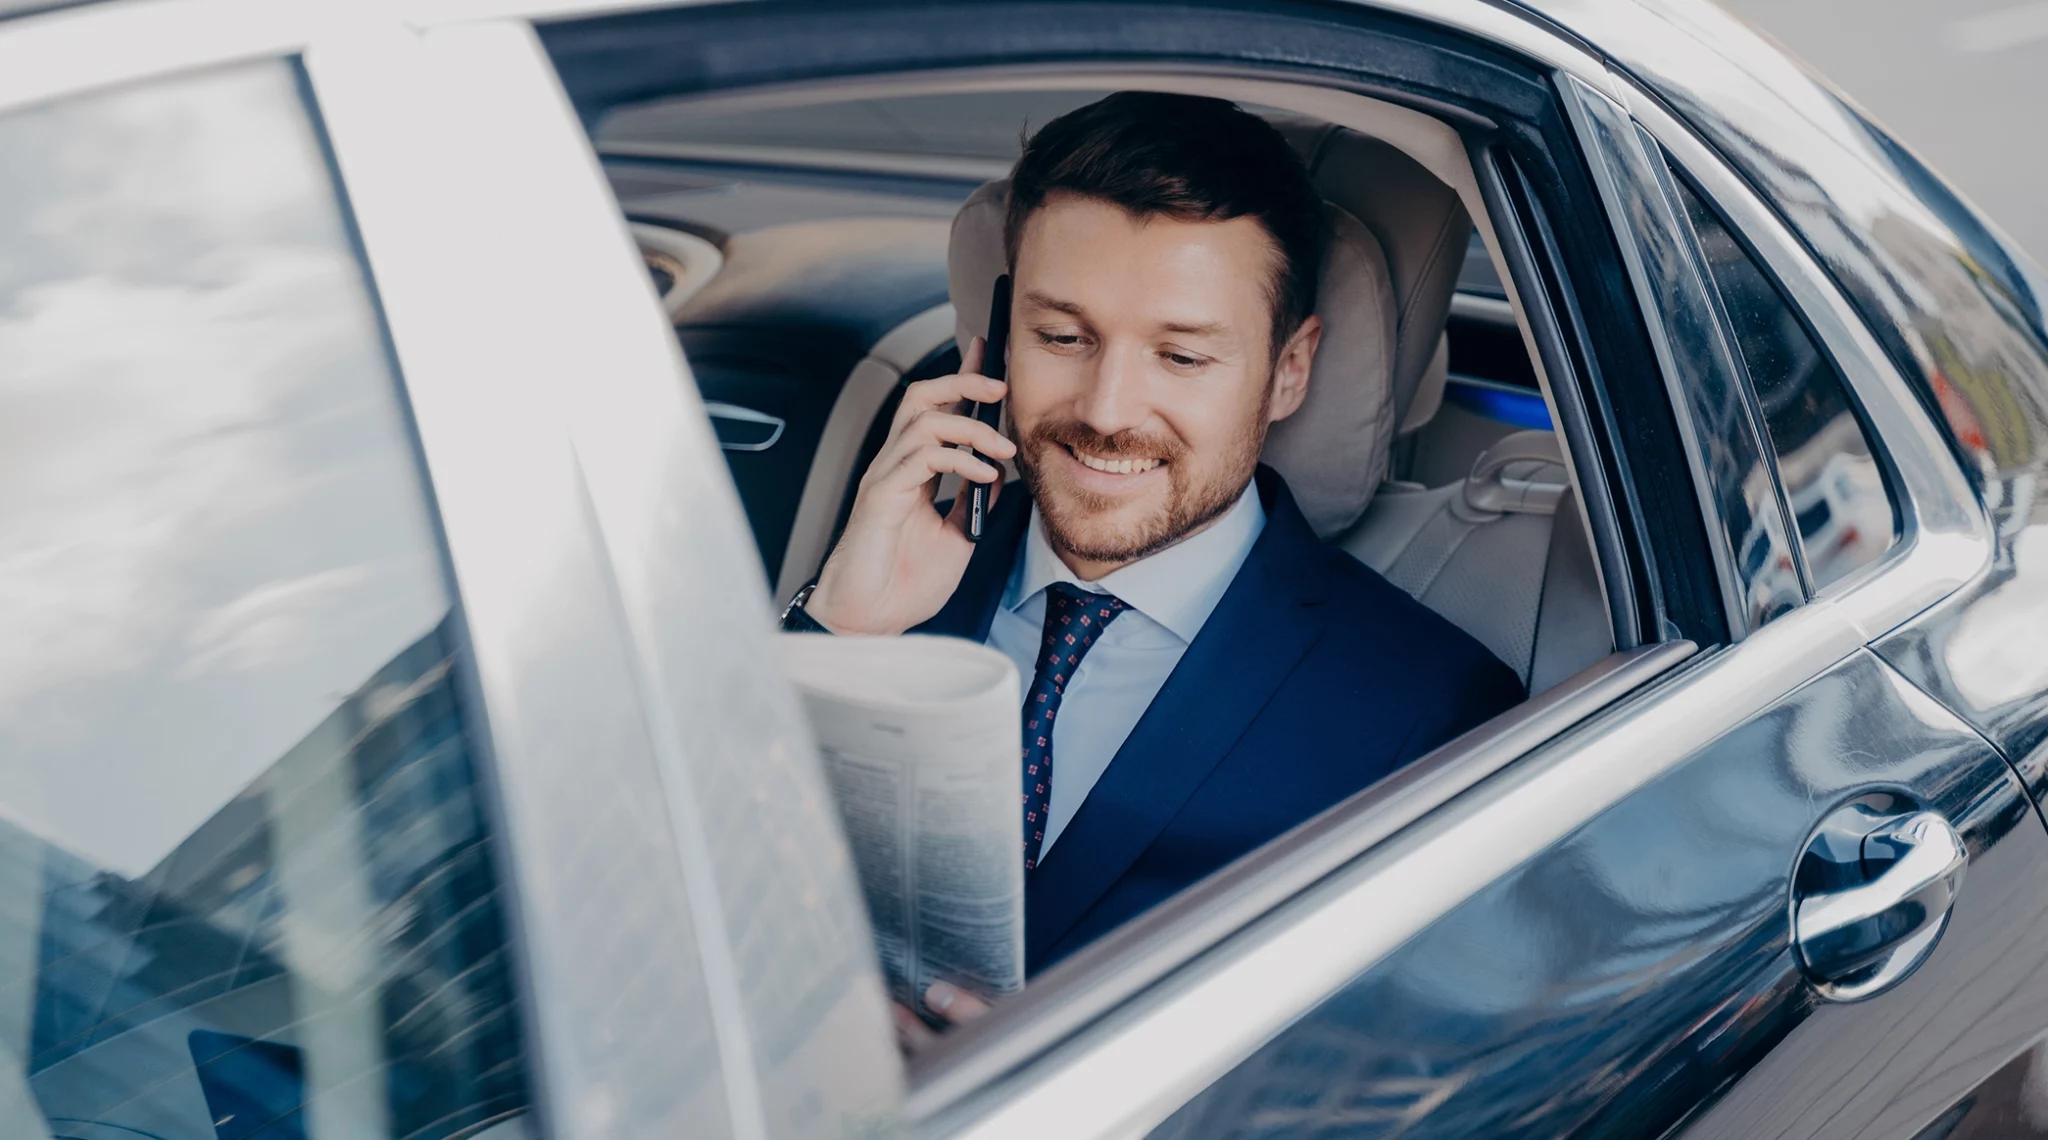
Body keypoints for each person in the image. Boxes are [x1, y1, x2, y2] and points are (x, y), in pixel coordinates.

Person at [780, 92, 1523, 1033]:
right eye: (1061, 336)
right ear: (1001, 333)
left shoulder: (1430, 714)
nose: (1107, 410)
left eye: (1180, 356)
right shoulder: (883, 577)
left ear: (1288, 371)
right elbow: (683, 893)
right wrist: (832, 630)